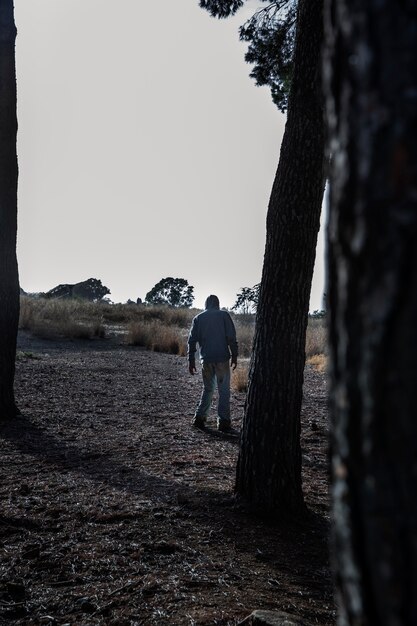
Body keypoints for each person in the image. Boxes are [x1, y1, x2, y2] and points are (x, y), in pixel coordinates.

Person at [187, 294, 238, 432]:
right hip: (222, 358)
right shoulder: (224, 316)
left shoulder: (198, 318)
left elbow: (191, 341)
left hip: (206, 359)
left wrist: (191, 360)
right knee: (224, 391)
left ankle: (199, 418)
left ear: (206, 304)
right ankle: (223, 422)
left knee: (208, 389)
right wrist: (235, 355)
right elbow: (231, 338)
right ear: (218, 303)